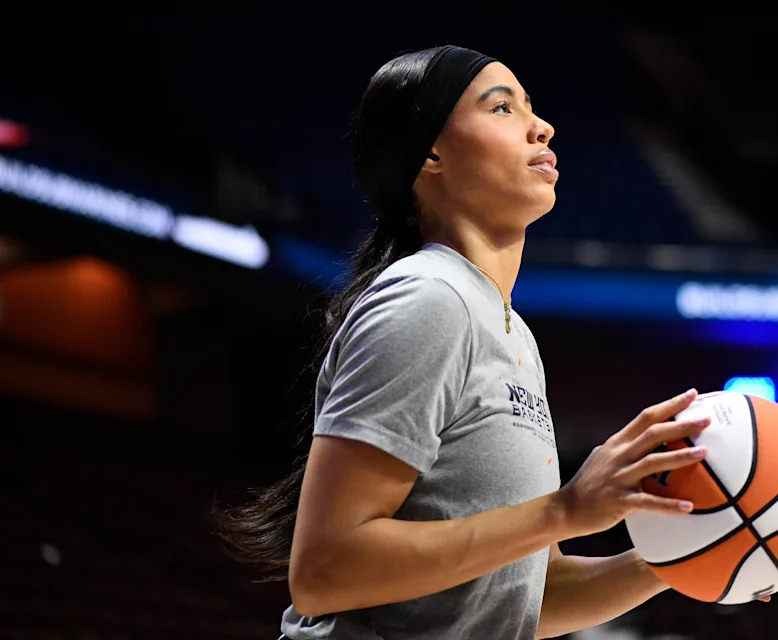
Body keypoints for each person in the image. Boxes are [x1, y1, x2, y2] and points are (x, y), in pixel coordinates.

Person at [217, 44, 713, 640]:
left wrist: (691, 557)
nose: (542, 127)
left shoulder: (511, 331)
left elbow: (520, 600)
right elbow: (325, 572)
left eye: (531, 106)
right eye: (502, 108)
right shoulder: (428, 298)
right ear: (430, 154)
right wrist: (563, 511)